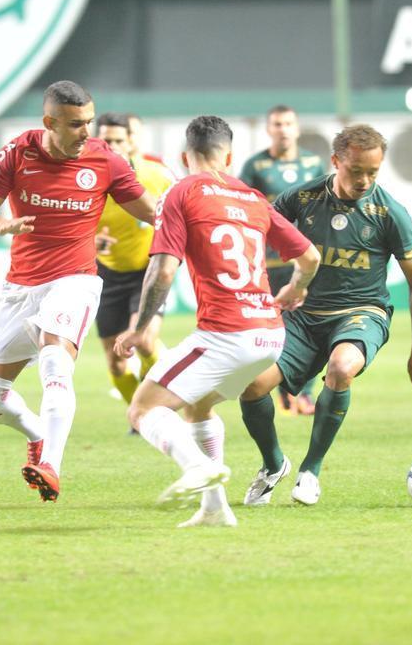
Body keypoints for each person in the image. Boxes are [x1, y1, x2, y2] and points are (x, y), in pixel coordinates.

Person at [114, 115, 319, 528]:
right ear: (229, 156)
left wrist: (140, 326)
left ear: (183, 156)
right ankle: (214, 509)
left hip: (227, 333)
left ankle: (197, 467)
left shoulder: (181, 192)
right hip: (269, 336)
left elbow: (164, 270)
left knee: (142, 409)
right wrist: (297, 286)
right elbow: (310, 256)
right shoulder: (253, 197)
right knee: (200, 406)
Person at [0, 81, 157, 502]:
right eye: (75, 124)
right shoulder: (17, 152)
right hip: (21, 285)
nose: (87, 132)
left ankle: (50, 463)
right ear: (49, 122)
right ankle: (36, 435)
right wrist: (0, 225)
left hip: (75, 279)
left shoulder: (106, 160)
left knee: (55, 361)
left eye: (89, 121)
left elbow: (152, 212)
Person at [238, 124, 412, 507]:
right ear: (336, 161)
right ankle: (273, 464)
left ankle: (310, 471)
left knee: (342, 367)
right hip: (304, 316)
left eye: (373, 172)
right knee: (251, 386)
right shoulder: (303, 197)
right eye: (357, 171)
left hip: (362, 313)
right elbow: (257, 233)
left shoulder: (390, 213)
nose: (365, 181)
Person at [238, 104, 325, 416]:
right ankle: (281, 388)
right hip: (268, 261)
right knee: (274, 326)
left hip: (304, 259)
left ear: (297, 128)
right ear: (268, 128)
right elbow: (241, 207)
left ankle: (306, 393)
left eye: (288, 123)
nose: (283, 129)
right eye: (277, 124)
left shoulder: (314, 164)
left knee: (311, 324)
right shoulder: (256, 166)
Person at [92, 112, 177, 410]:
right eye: (106, 140)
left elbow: (181, 214)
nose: (112, 146)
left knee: (143, 341)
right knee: (116, 363)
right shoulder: (85, 183)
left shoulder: (157, 175)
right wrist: (91, 243)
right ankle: (138, 416)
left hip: (148, 270)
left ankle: (157, 408)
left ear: (130, 142)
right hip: (107, 275)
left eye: (118, 140)